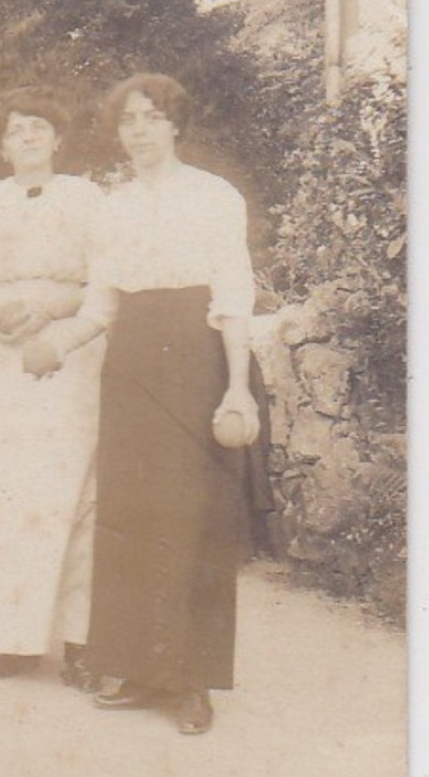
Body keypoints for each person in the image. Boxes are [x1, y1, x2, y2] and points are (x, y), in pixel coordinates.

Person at [39, 73, 264, 735]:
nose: (137, 130)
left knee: (193, 517)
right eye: (127, 120)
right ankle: (138, 668)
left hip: (193, 355)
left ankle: (191, 679)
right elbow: (100, 305)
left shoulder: (213, 197)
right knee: (130, 516)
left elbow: (231, 296)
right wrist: (54, 344)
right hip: (129, 361)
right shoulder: (110, 207)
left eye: (150, 117)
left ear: (174, 125)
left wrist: (234, 385)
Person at [0, 88, 108, 688]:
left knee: (70, 491)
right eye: (16, 131)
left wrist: (49, 308)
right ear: (2, 146)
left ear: (59, 139)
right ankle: (9, 637)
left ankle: (80, 640)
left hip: (68, 350)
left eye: (39, 127)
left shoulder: (88, 197)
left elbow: (106, 280)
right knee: (3, 492)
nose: (28, 138)